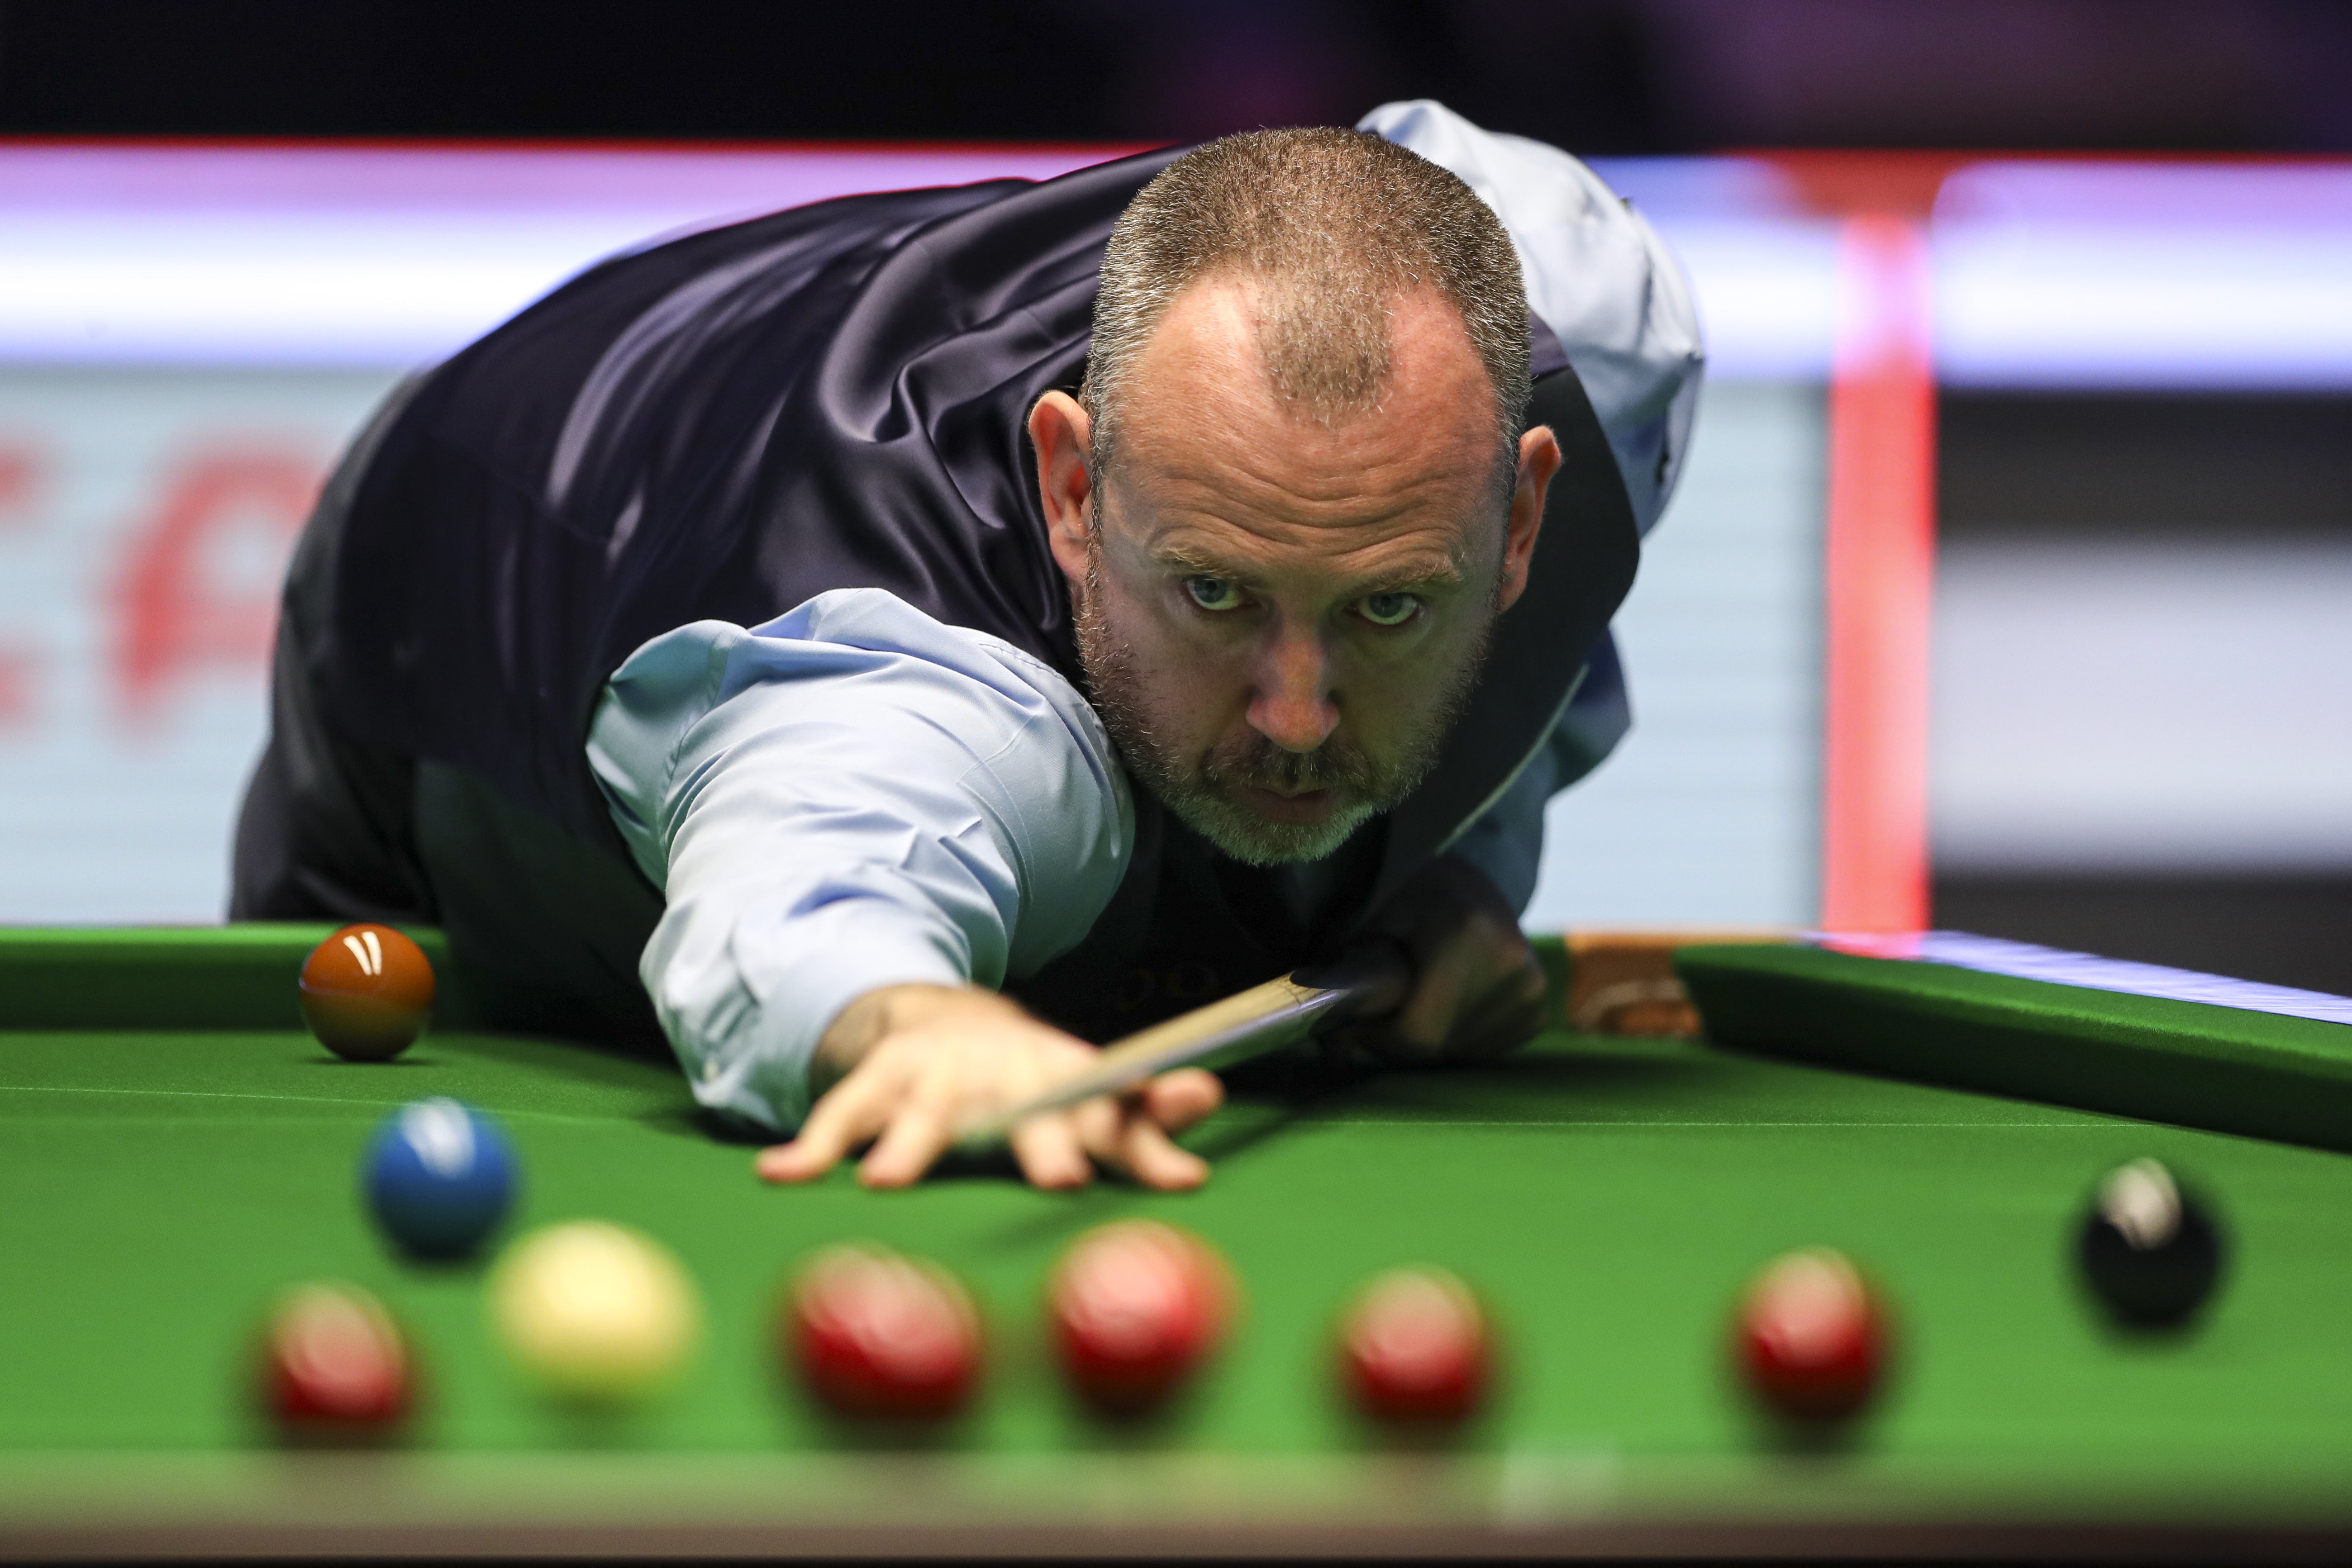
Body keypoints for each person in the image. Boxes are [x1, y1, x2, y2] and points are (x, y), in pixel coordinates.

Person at [232, 100, 1701, 1193]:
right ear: (1074, 493)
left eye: (1388, 606)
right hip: (475, 540)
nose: (1303, 716)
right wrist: (917, 1017)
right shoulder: (917, 685)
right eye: (1214, 595)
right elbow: (808, 889)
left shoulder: (1595, 342)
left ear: (1518, 520)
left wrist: (1455, 872)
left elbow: (1533, 680)